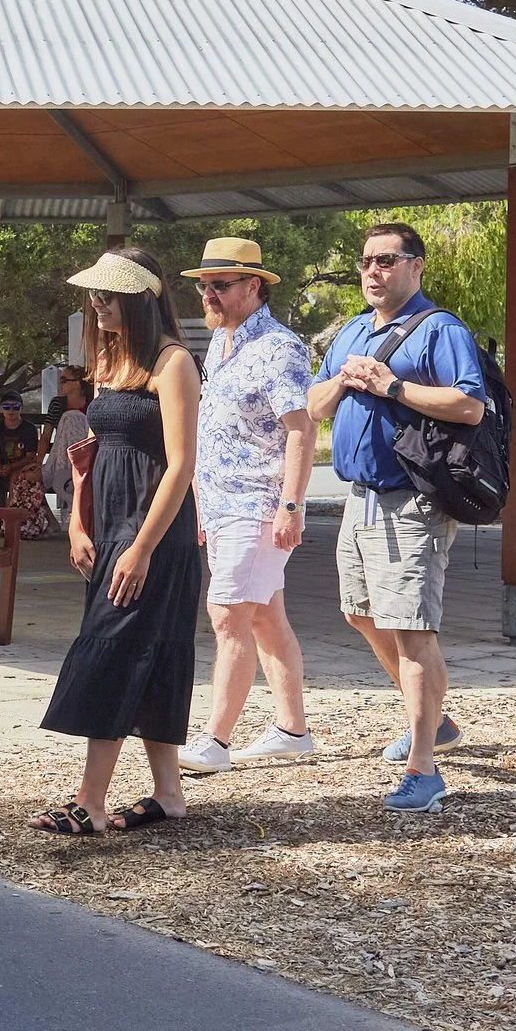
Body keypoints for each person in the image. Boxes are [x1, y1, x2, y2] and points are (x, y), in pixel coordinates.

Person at [304, 222, 486, 813]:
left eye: (387, 260)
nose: (373, 272)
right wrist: (341, 382)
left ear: (416, 267)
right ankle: (434, 719)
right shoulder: (352, 331)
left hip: (411, 501)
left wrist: (393, 385)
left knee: (411, 629)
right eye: (365, 262)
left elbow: (470, 405)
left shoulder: (441, 329)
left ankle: (423, 769)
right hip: (356, 499)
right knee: (361, 615)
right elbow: (312, 406)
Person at [31, 248, 204, 837]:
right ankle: (169, 794)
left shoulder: (173, 362)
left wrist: (141, 548)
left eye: (107, 297)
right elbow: (92, 458)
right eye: (94, 296)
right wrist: (79, 524)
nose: (97, 306)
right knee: (144, 651)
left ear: (139, 300)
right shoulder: (109, 361)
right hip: (110, 525)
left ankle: (91, 799)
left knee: (113, 647)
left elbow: (181, 466)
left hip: (153, 531)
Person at [172, 238, 316, 775]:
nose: (207, 294)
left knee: (228, 613)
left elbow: (301, 429)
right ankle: (292, 729)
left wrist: (291, 505)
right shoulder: (225, 343)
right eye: (204, 285)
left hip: (257, 502)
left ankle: (215, 741)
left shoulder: (279, 347)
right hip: (226, 502)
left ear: (253, 287)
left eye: (220, 285)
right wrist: (204, 504)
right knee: (264, 617)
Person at [0, 393, 53, 539]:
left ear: (21, 408)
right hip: (1, 466)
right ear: (1, 410)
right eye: (6, 407)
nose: (11, 411)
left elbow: (30, 457)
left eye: (15, 407)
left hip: (20, 467)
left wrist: (11, 467)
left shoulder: (29, 429)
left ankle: (9, 523)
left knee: (15, 478)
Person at [42, 369, 92, 528]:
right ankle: (51, 521)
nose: (61, 383)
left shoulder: (92, 403)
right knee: (25, 478)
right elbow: (46, 436)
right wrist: (38, 461)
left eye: (65, 380)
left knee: (72, 418)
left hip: (88, 457)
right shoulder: (57, 404)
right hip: (60, 458)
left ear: (78, 383)